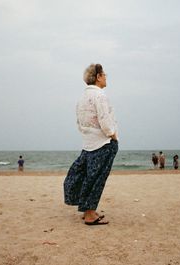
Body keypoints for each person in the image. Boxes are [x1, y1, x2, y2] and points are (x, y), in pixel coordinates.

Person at [64, 63, 119, 226]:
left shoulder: (82, 98)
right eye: (104, 74)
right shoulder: (100, 96)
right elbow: (104, 119)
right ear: (98, 77)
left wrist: (88, 135)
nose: (106, 77)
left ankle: (90, 210)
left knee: (87, 177)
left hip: (88, 143)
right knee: (97, 179)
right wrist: (112, 135)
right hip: (103, 142)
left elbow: (79, 122)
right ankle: (89, 214)